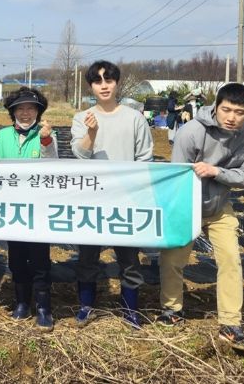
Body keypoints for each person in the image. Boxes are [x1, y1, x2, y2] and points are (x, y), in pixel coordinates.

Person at [158, 83, 244, 352]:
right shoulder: (192, 132)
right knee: (172, 258)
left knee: (230, 260)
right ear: (216, 107)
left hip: (219, 207)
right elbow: (177, 176)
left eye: (239, 112)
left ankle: (230, 323)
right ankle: (172, 310)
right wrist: (177, 213)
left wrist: (216, 172)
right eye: (226, 109)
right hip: (187, 205)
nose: (231, 117)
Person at [71, 60, 153, 328]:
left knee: (129, 258)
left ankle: (130, 309)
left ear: (117, 83)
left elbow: (145, 158)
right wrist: (92, 132)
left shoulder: (134, 118)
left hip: (126, 199)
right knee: (87, 256)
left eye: (109, 80)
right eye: (98, 81)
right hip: (92, 200)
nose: (104, 86)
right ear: (91, 86)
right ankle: (86, 306)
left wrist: (137, 191)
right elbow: (80, 155)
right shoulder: (82, 118)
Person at [0, 86, 58, 331]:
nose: (25, 113)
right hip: (13, 209)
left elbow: (53, 166)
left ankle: (43, 306)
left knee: (40, 259)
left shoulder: (46, 134)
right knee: (17, 257)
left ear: (38, 112)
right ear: (12, 112)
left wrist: (46, 140)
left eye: (31, 108)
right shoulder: (2, 136)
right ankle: (21, 302)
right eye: (20, 109)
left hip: (38, 209)